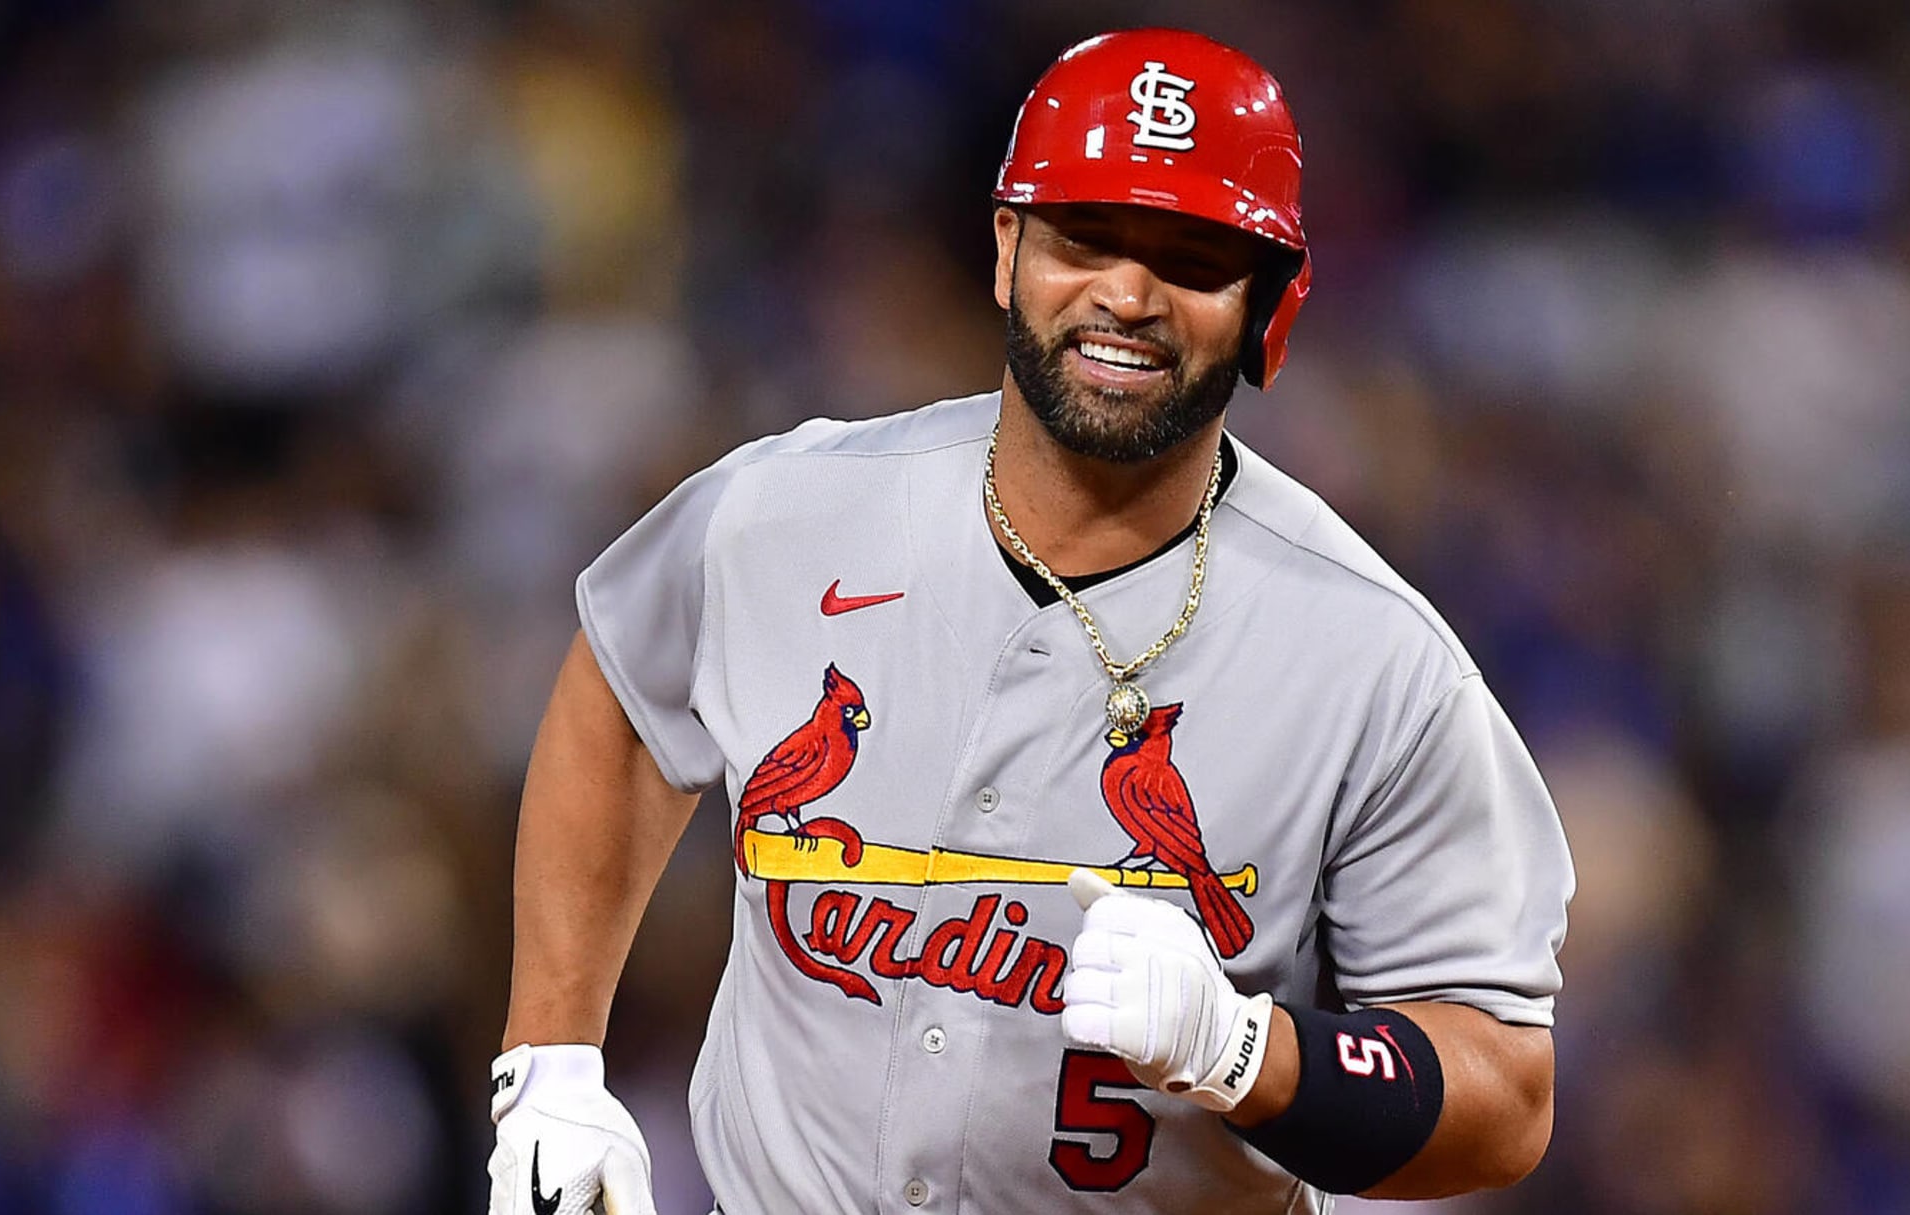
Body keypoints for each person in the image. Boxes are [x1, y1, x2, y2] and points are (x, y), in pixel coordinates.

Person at [487, 27, 1573, 1214]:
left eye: (1193, 257)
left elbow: (1503, 1096)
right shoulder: (784, 511)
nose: (1128, 293)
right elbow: (622, 701)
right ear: (1007, 248)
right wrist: (552, 1056)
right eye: (1087, 238)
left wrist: (1255, 1058)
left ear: (1270, 300)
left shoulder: (1376, 660)